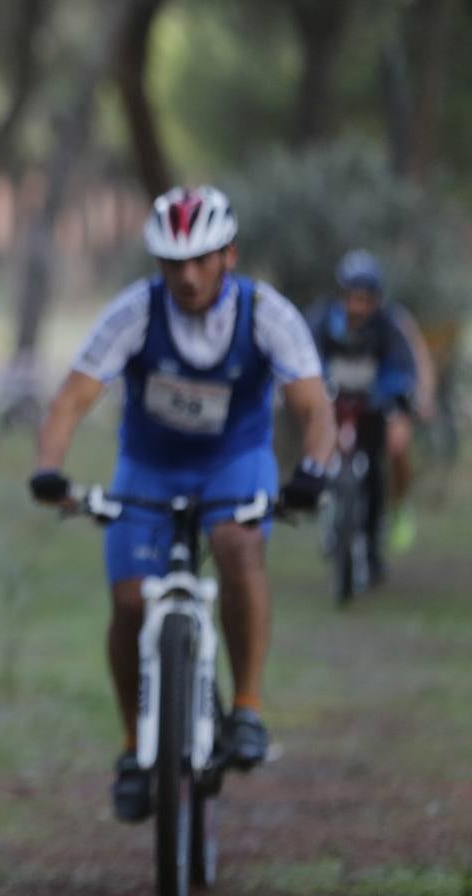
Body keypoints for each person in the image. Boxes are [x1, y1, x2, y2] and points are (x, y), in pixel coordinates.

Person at [28, 186, 335, 823]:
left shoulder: (265, 313)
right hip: (150, 467)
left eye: (200, 260)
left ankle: (246, 707)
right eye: (172, 262)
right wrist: (49, 469)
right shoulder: (133, 312)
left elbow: (313, 405)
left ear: (229, 255)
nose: (187, 276)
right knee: (130, 601)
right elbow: (73, 399)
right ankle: (132, 745)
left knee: (236, 545)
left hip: (234, 462)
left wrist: (312, 470)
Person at [308, 250, 430, 564]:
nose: (358, 307)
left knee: (388, 453)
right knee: (321, 444)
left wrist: (398, 401)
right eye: (352, 297)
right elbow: (306, 358)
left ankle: (385, 524)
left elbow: (402, 367)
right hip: (335, 404)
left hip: (374, 406)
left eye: (365, 299)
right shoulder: (322, 321)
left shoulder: (389, 325)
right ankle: (327, 511)